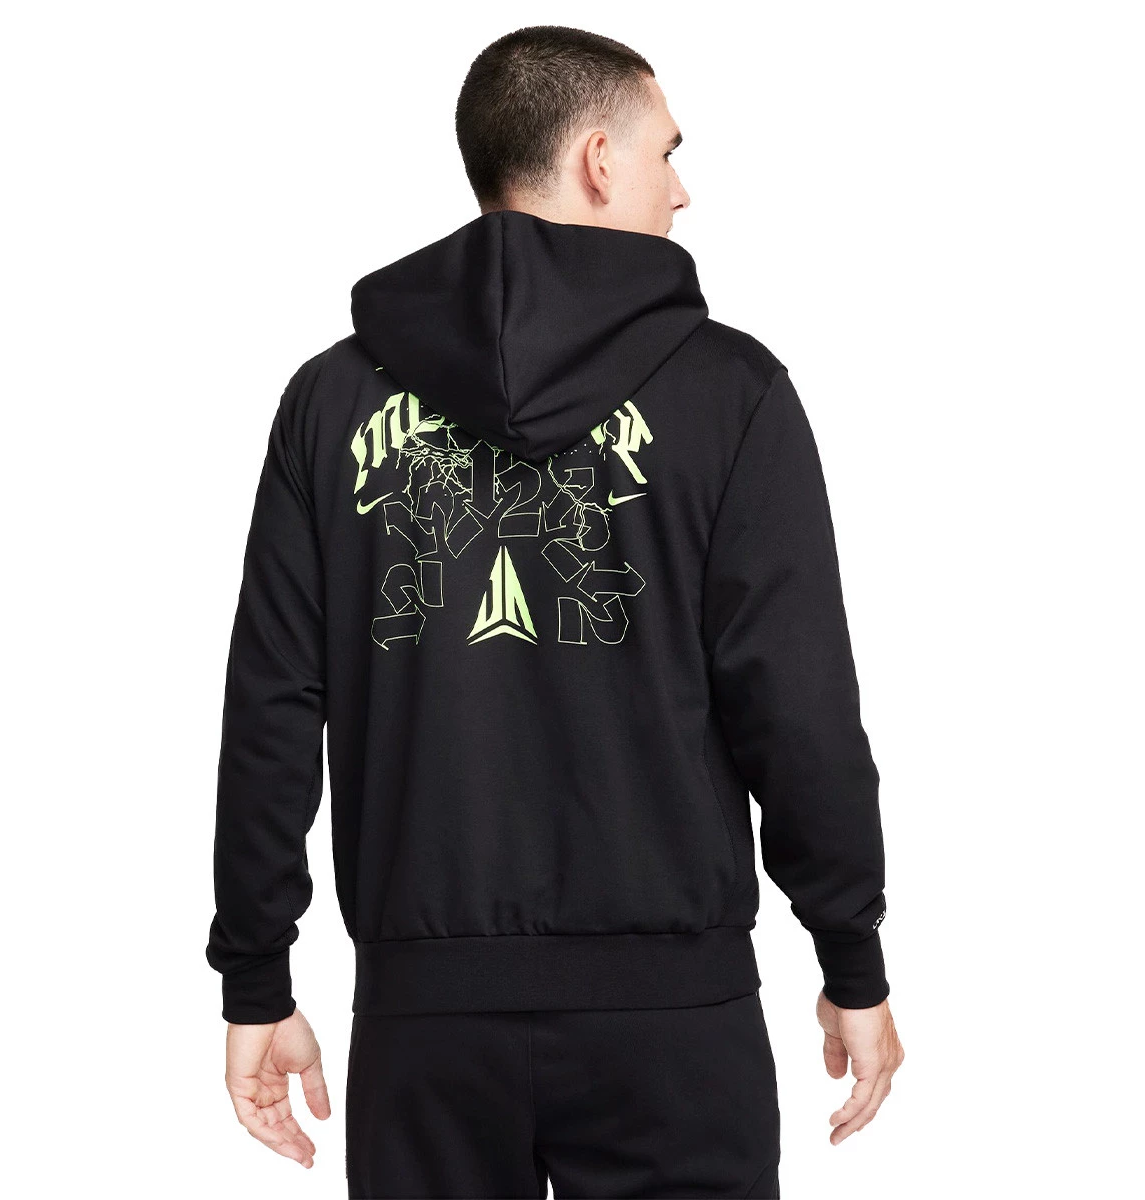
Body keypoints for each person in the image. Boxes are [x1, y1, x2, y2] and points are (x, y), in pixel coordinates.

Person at [206, 23, 904, 1199]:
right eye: (667, 153)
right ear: (597, 159)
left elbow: (273, 702)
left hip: (427, 1028)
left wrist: (256, 982)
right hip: (673, 1025)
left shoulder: (330, 400)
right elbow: (796, 706)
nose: (682, 190)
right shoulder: (732, 393)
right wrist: (852, 958)